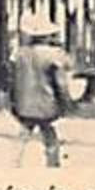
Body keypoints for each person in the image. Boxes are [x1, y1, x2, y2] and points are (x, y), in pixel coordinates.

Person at [10, 11, 74, 168]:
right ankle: (53, 165)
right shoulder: (53, 56)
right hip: (47, 104)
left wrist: (13, 102)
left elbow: (12, 81)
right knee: (49, 135)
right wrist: (66, 103)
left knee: (24, 134)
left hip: (23, 104)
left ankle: (14, 162)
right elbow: (60, 83)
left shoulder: (19, 54)